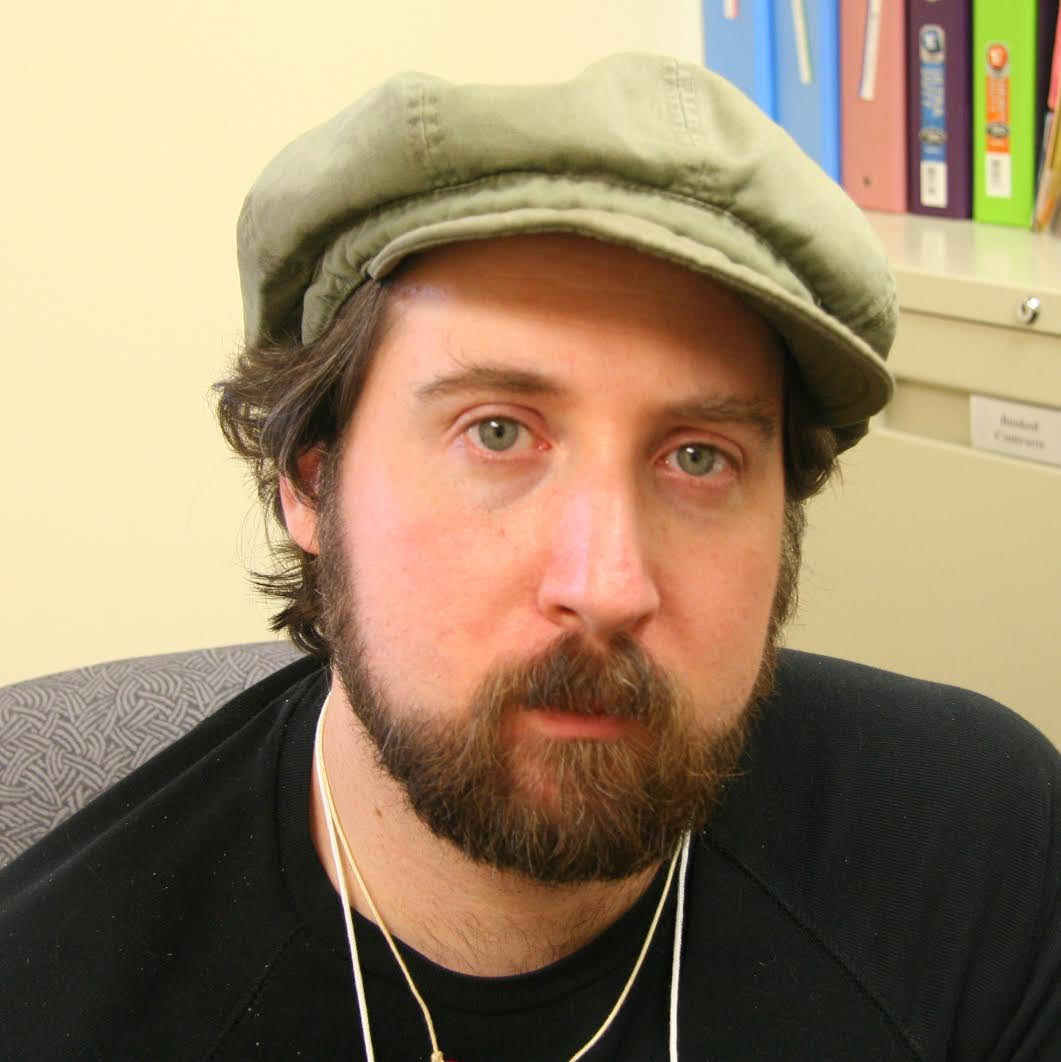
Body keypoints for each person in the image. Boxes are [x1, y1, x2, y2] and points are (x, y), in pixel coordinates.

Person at [0, 53, 1057, 1061]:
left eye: (698, 457)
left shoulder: (977, 858)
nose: (606, 586)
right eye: (497, 433)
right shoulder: (58, 1005)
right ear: (311, 485)